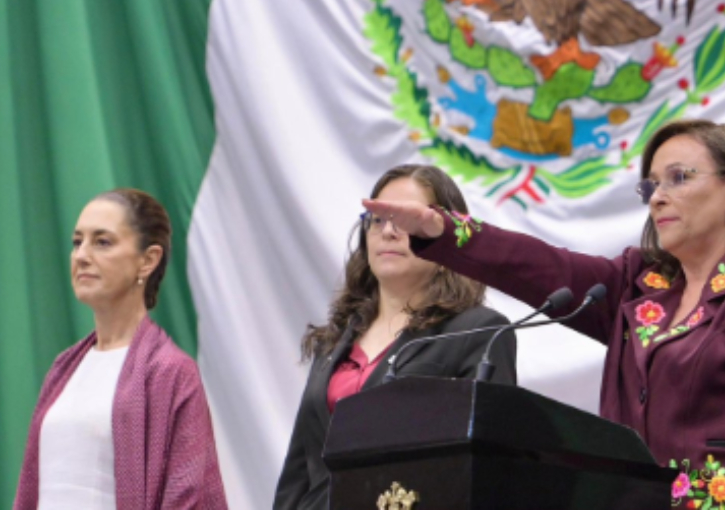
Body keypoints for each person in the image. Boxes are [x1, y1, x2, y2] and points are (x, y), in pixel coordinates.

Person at [364, 120, 725, 510]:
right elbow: (539, 265)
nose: (657, 197)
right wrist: (442, 229)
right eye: (651, 185)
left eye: (679, 178)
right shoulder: (638, 286)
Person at [275, 165, 517, 510]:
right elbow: (298, 471)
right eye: (377, 219)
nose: (388, 231)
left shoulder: (479, 332)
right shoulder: (335, 340)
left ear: (446, 239)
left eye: (406, 220)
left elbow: (492, 471)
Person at [14, 188, 227, 509]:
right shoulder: (64, 368)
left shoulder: (170, 371)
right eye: (77, 242)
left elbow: (188, 497)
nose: (82, 255)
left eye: (102, 242)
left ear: (148, 261)